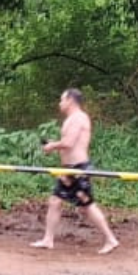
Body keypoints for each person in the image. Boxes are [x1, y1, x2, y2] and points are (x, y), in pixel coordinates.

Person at [30, 88, 120, 254]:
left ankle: (110, 239)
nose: (60, 103)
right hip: (68, 171)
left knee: (87, 205)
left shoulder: (79, 118)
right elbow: (67, 143)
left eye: (62, 100)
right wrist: (55, 144)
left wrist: (52, 146)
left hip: (78, 169)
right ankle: (48, 239)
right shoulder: (71, 119)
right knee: (55, 201)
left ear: (70, 100)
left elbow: (70, 142)